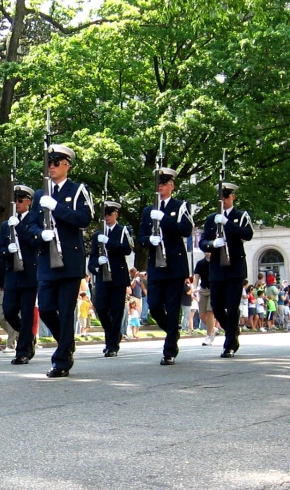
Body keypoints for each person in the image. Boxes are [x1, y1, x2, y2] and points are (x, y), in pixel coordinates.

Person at [28, 145, 94, 377]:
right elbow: (32, 225)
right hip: (47, 259)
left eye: (56, 162)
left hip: (70, 259)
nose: (51, 167)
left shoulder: (77, 191)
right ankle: (66, 342)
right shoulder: (40, 195)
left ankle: (62, 359)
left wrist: (57, 207)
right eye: (49, 163)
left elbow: (84, 218)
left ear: (67, 165)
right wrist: (40, 234)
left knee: (66, 311)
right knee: (46, 308)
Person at [138, 167, 194, 366]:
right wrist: (149, 240)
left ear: (172, 186)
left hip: (174, 264)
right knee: (154, 305)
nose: (160, 187)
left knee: (172, 306)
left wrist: (165, 219)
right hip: (156, 264)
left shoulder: (181, 206)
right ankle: (173, 330)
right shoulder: (148, 210)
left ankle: (169, 349)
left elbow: (186, 230)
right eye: (158, 184)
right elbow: (141, 237)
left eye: (164, 184)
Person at [199, 182, 254, 356]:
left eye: (227, 196)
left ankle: (229, 343)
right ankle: (232, 330)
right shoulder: (211, 219)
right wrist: (212, 244)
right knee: (216, 306)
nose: (223, 199)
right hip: (216, 268)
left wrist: (227, 223)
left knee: (232, 305)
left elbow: (247, 234)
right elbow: (202, 242)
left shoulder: (240, 215)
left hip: (235, 268)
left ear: (233, 197)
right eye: (221, 197)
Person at [0, 185, 39, 365]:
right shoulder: (6, 225)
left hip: (30, 273)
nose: (17, 203)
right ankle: (28, 336)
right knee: (8, 310)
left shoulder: (34, 220)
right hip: (12, 274)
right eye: (14, 200)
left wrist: (20, 227)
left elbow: (35, 242)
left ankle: (22, 351)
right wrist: (7, 250)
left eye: (20, 200)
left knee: (27, 312)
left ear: (29, 201)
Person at [88, 201, 133, 357]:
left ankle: (112, 345)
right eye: (104, 215)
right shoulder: (97, 235)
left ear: (116, 215)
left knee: (116, 310)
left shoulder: (123, 231)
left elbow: (127, 249)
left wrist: (110, 243)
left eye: (109, 214)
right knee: (100, 308)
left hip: (118, 277)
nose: (106, 217)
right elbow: (91, 259)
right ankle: (113, 334)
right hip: (102, 277)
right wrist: (96, 264)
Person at [192, 252, 219, 345]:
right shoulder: (200, 263)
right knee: (202, 315)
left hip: (214, 289)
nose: (208, 252)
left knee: (210, 312)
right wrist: (194, 288)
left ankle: (208, 336)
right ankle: (213, 329)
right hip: (203, 290)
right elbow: (196, 277)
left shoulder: (217, 261)